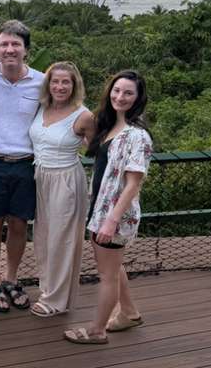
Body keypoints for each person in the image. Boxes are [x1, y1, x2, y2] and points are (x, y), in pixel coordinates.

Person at [64, 70, 153, 345]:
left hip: (115, 215)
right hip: (100, 210)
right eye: (117, 91)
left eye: (128, 93)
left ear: (138, 98)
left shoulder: (137, 136)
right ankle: (129, 312)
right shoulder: (111, 127)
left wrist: (111, 221)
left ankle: (97, 331)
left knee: (107, 275)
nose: (120, 97)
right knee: (114, 268)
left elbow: (133, 184)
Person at [0, 19, 44, 313]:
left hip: (26, 163)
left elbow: (67, 104)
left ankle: (12, 279)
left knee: (18, 224)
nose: (10, 49)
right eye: (4, 44)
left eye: (16, 44)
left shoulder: (41, 81)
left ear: (26, 50)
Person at [28, 62, 95, 318]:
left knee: (63, 241)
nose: (59, 87)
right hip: (40, 178)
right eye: (55, 81)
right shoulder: (41, 108)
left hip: (66, 179)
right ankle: (48, 289)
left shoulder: (83, 116)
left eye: (65, 82)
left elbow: (97, 148)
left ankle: (56, 300)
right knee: (43, 238)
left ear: (74, 85)